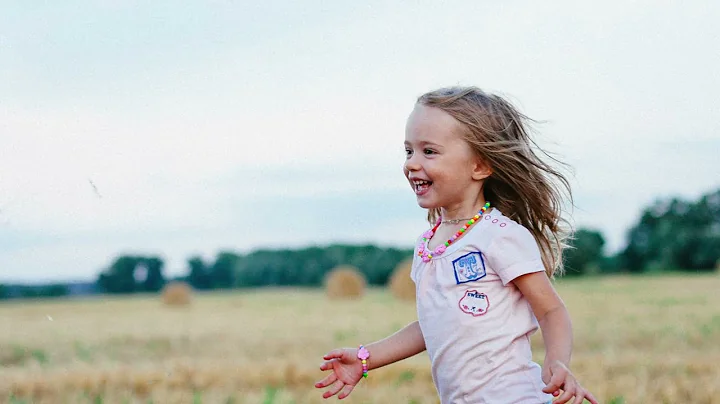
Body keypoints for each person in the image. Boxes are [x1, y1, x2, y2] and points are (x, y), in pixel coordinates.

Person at [315, 86, 599, 404]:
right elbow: (433, 325)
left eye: (429, 152)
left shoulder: (500, 236)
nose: (411, 163)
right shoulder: (428, 245)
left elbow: (551, 310)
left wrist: (557, 361)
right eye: (408, 151)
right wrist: (367, 357)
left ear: (480, 166)